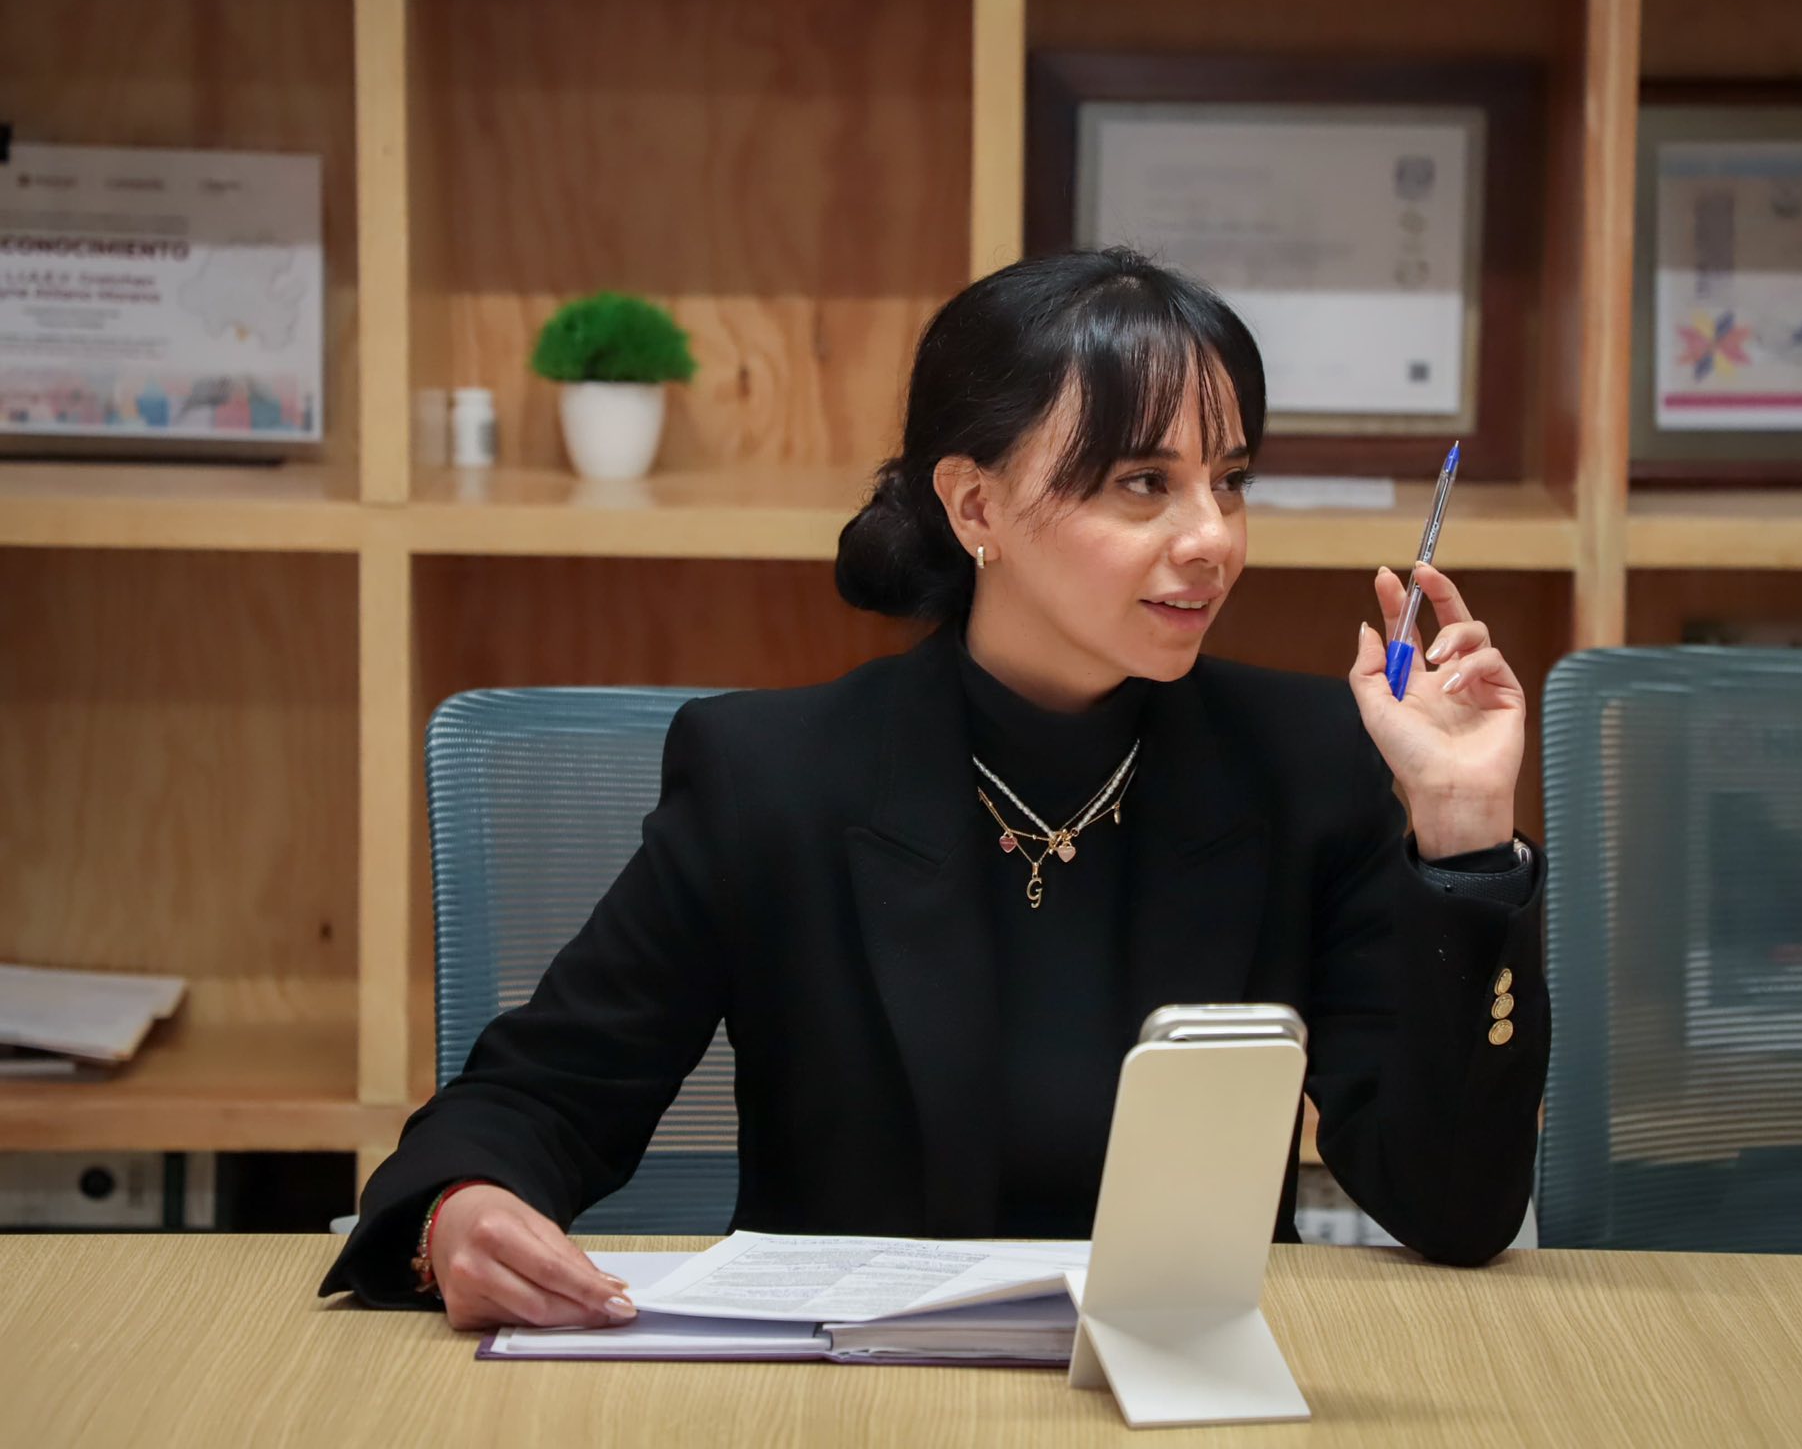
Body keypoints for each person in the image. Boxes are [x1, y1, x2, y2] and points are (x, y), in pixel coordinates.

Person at [320, 246, 1549, 1331]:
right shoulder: (773, 779)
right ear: (975, 505)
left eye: (1226, 480)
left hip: (1177, 1398)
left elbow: (1449, 1208)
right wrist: (460, 1212)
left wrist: (1461, 833)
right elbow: (540, 1093)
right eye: (1141, 483)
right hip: (847, 1398)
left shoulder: (1304, 763)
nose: (1212, 538)